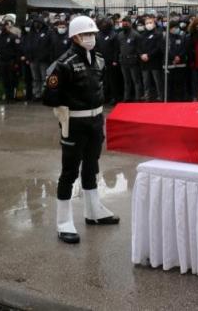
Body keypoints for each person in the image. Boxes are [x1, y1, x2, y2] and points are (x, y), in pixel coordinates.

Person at [42, 16, 119, 244]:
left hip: (95, 120)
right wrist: (64, 116)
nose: (91, 38)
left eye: (92, 34)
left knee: (92, 166)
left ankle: (93, 211)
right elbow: (49, 97)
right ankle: (64, 221)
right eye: (86, 34)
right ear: (75, 37)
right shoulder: (63, 64)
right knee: (69, 171)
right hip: (74, 122)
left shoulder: (99, 59)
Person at [139, 15, 165, 101]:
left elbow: (158, 48)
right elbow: (139, 47)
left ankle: (160, 96)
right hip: (144, 61)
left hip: (154, 61)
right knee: (146, 81)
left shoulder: (158, 34)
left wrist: (148, 55)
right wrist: (141, 54)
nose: (148, 24)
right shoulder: (142, 35)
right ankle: (147, 96)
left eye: (150, 23)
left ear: (154, 24)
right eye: (147, 23)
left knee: (157, 80)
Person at [117, 17, 143, 102]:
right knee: (126, 81)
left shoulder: (136, 34)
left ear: (130, 24)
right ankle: (126, 98)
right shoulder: (120, 34)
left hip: (133, 61)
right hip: (123, 61)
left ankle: (138, 98)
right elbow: (118, 47)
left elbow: (139, 49)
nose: (124, 25)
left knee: (136, 81)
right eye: (123, 23)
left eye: (126, 23)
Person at [0, 19, 21, 102]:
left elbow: (18, 51)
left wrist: (17, 62)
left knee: (12, 80)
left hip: (11, 61)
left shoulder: (13, 36)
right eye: (1, 26)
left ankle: (12, 97)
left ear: (7, 26)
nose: (3, 27)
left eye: (4, 25)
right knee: (5, 80)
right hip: (2, 61)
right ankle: (7, 96)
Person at [165, 21, 188, 101]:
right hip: (170, 65)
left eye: (177, 28)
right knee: (170, 84)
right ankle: (170, 100)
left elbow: (184, 48)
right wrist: (173, 57)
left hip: (180, 64)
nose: (177, 29)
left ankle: (180, 100)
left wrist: (179, 56)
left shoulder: (181, 37)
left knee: (180, 84)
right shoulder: (166, 38)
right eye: (175, 28)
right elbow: (166, 50)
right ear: (170, 29)